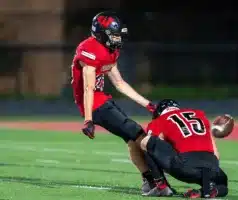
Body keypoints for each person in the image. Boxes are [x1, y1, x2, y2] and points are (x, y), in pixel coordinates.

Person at [70, 11, 166, 194]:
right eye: (113, 35)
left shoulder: (109, 50)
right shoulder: (89, 49)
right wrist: (88, 119)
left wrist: (147, 104)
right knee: (139, 134)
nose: (117, 39)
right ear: (100, 33)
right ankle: (158, 182)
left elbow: (120, 83)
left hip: (103, 100)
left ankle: (149, 181)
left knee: (133, 139)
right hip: (94, 105)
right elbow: (88, 88)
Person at [140, 99, 229, 198]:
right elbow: (216, 154)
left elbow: (154, 144)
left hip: (186, 167)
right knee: (222, 182)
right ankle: (207, 191)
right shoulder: (199, 114)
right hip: (211, 167)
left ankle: (161, 186)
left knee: (146, 141)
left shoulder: (160, 120)